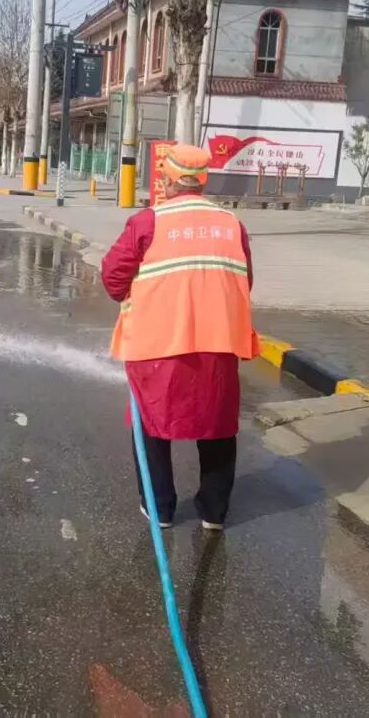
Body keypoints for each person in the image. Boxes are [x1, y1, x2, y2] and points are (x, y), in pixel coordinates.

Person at [101, 144, 257, 531]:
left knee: (152, 424)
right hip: (219, 343)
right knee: (217, 425)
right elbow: (245, 280)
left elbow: (113, 276)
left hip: (157, 345)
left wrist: (135, 296)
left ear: (168, 181)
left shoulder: (148, 222)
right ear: (203, 182)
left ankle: (161, 509)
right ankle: (214, 512)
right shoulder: (231, 225)